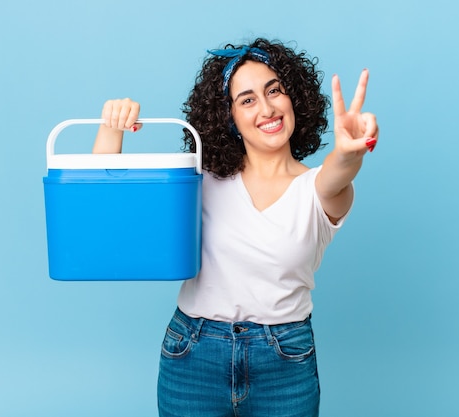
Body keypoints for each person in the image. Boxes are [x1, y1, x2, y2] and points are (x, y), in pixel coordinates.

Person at [93, 38, 378, 417]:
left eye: (274, 90)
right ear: (229, 118)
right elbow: (103, 213)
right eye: (247, 99)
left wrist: (347, 152)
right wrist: (112, 128)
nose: (267, 108)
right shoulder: (201, 180)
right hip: (193, 353)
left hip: (284, 360)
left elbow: (339, 172)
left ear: (294, 98)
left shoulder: (319, 189)